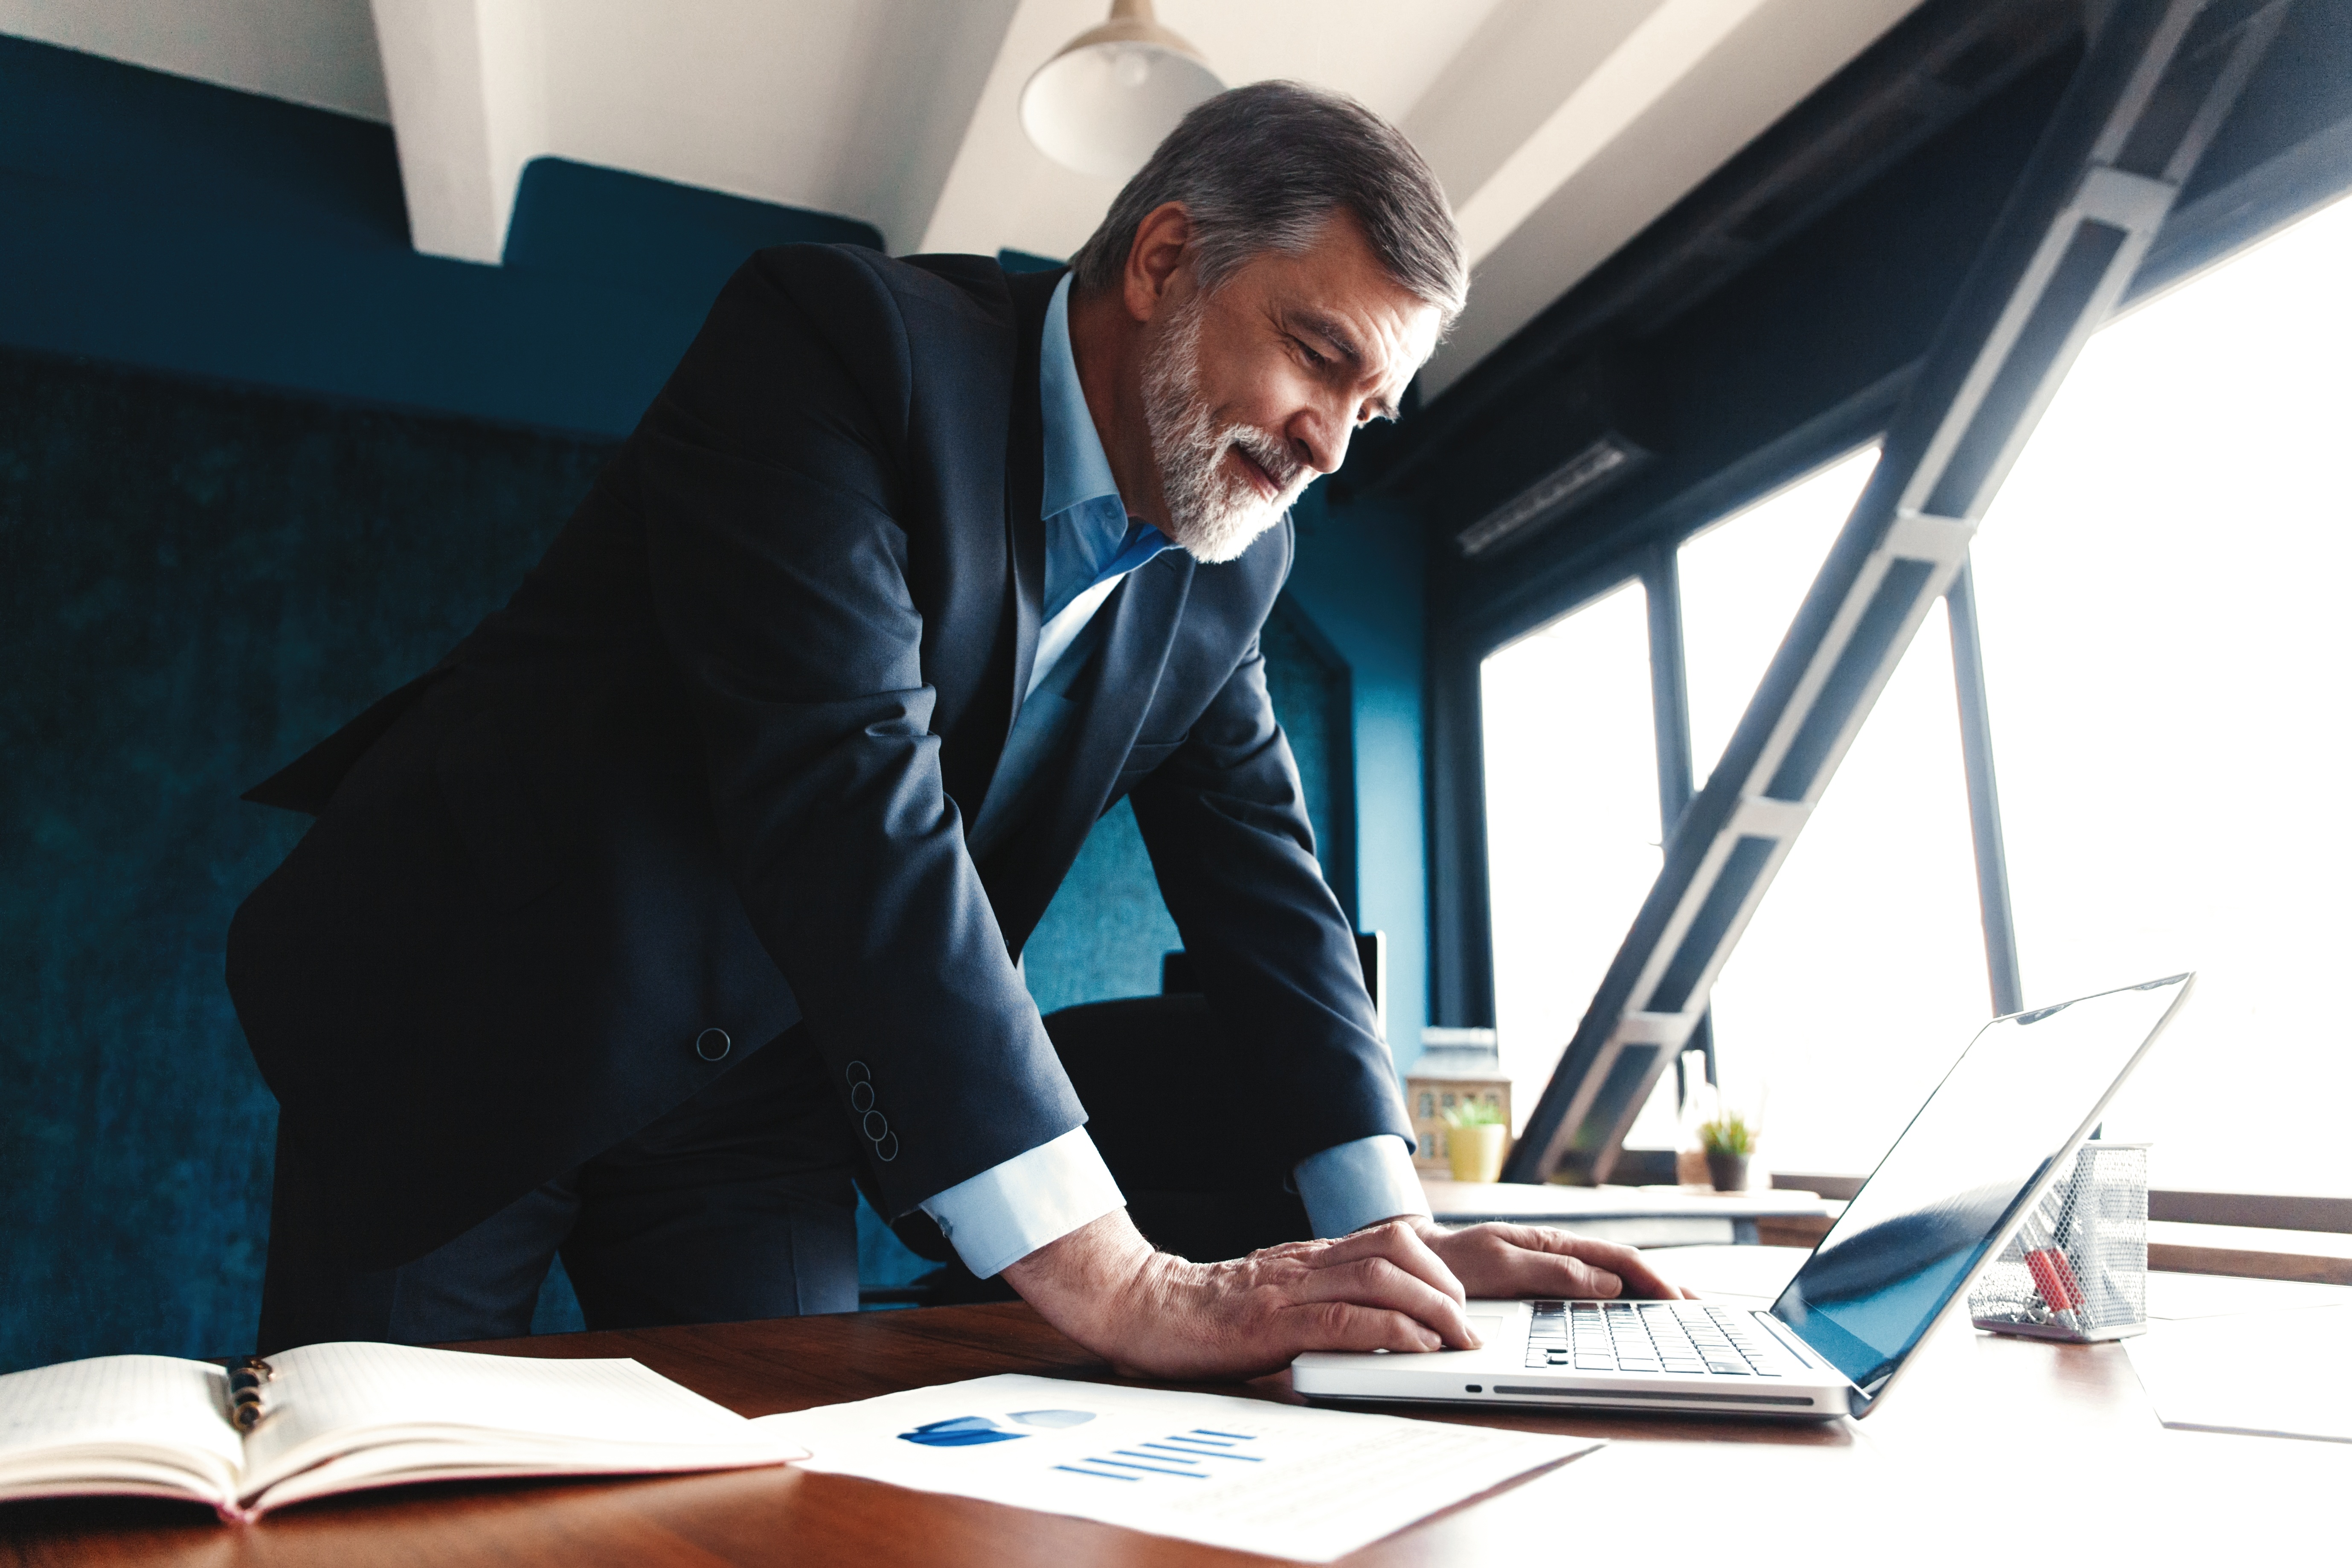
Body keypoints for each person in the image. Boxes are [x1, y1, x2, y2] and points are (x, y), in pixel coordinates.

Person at [229, 81, 1687, 1379]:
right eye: (1316, 356)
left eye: (1366, 413)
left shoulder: (1234, 560)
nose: (1323, 446)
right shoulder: (839, 343)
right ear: (1163, 258)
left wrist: (1392, 1236)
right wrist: (1120, 1277)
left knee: (795, 1502)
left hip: (763, 1091)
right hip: (481, 1005)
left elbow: (1267, 890)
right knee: (366, 1489)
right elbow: (846, 790)